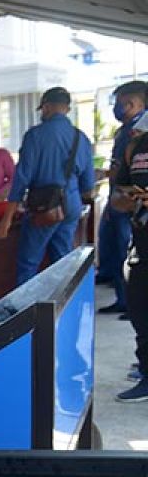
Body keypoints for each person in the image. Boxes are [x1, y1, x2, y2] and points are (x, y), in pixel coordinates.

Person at [0, 87, 95, 286]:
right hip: (72, 204)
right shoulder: (81, 138)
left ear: (47, 107)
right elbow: (88, 185)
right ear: (67, 109)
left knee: (28, 263)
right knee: (63, 261)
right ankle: (62, 309)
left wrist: (7, 218)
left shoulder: (35, 136)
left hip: (44, 206)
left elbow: (22, 178)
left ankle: (26, 312)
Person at [96, 81, 146, 313]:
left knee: (123, 249)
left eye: (119, 104)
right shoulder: (130, 136)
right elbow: (122, 176)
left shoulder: (136, 133)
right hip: (127, 207)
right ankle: (125, 300)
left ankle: (127, 300)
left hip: (134, 212)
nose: (116, 109)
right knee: (119, 251)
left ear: (133, 103)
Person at [111, 112, 148, 401]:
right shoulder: (135, 145)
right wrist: (125, 199)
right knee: (140, 311)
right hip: (142, 244)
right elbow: (118, 191)